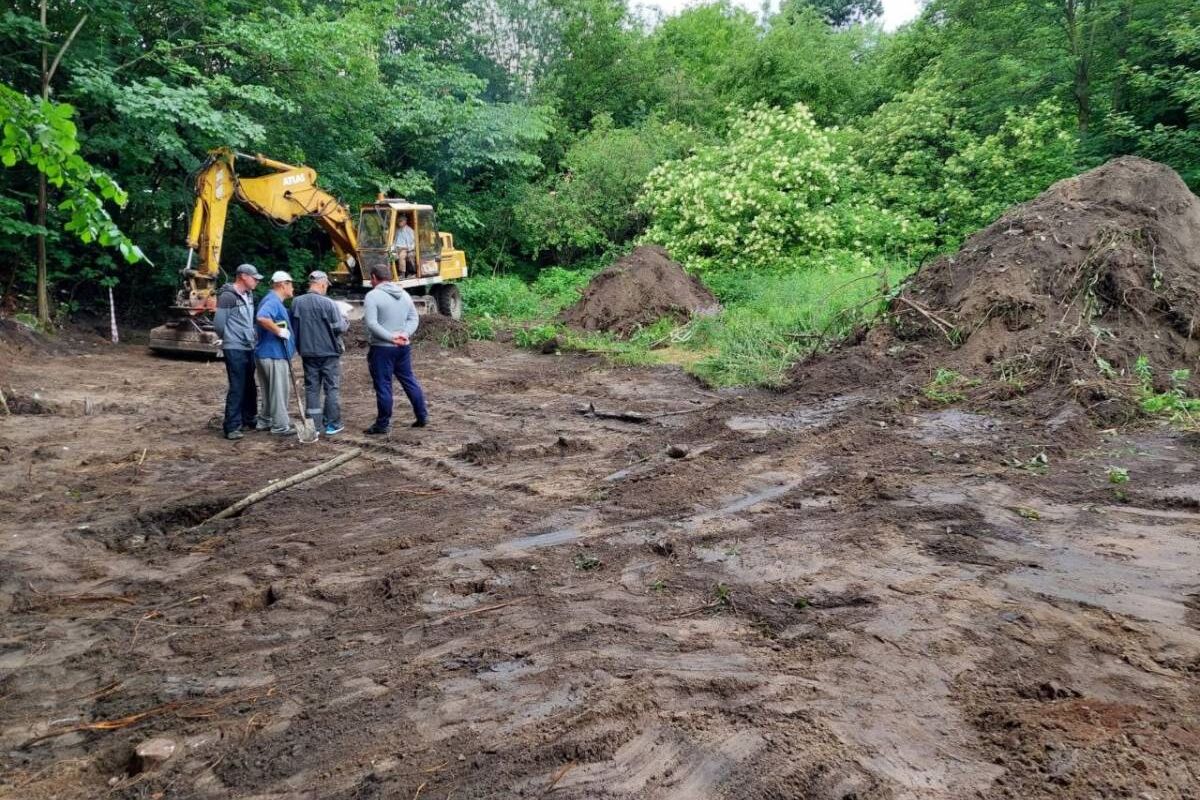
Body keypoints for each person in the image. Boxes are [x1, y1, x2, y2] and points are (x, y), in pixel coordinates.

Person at [363, 264, 427, 434]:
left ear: (375, 278)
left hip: (382, 348)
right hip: (403, 347)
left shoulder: (372, 296)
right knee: (409, 380)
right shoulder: (404, 294)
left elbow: (371, 324)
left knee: (384, 385)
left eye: (371, 278)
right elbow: (414, 318)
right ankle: (422, 416)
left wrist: (391, 337)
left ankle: (382, 424)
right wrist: (405, 334)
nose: (371, 281)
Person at [290, 270, 349, 436]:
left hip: (307, 353)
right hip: (329, 352)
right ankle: (332, 423)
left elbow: (294, 328)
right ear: (322, 284)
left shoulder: (297, 302)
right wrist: (345, 319)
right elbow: (339, 328)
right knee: (331, 388)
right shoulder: (328, 303)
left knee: (312, 388)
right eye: (326, 286)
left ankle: (314, 425)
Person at [212, 263, 263, 441]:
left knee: (249, 384)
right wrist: (230, 338)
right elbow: (219, 324)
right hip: (234, 347)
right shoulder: (227, 296)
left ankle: (249, 418)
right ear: (243, 276)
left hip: (248, 346)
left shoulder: (249, 295)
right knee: (237, 385)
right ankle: (231, 426)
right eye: (254, 277)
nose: (256, 280)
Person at [254, 271, 296, 435]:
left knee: (269, 391)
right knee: (279, 391)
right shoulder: (273, 301)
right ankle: (280, 425)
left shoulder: (272, 300)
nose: (292, 287)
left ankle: (265, 420)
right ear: (282, 285)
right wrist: (279, 331)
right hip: (273, 355)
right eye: (290, 284)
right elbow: (262, 317)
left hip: (265, 354)